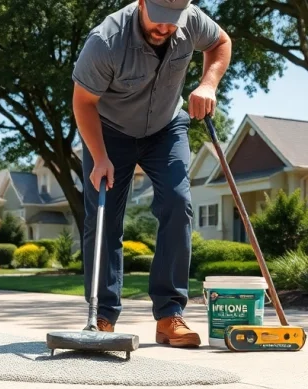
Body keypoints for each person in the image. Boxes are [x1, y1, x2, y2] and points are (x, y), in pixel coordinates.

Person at [71, 0, 231, 347]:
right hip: (111, 131)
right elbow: (83, 102)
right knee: (103, 219)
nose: (164, 28)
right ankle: (103, 315)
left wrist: (208, 83)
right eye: (158, 19)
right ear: (142, 3)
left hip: (166, 126)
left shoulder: (191, 20)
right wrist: (99, 157)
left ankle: (169, 315)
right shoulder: (106, 41)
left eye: (172, 22)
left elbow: (221, 42)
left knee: (178, 202)